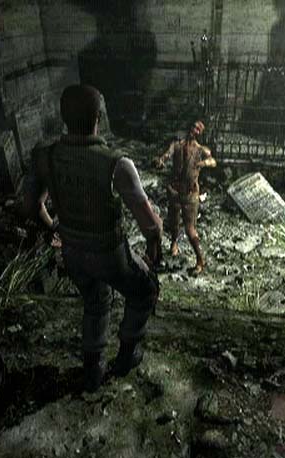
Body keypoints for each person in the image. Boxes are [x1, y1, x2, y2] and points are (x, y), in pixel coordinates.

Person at [23, 84, 163, 393]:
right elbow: (150, 225)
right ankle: (126, 356)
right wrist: (155, 247)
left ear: (63, 118)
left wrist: (54, 229)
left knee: (96, 302)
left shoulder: (46, 156)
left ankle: (93, 369)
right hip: (109, 253)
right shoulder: (116, 163)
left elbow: (32, 205)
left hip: (72, 251)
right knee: (145, 290)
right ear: (98, 117)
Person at [155, 120, 217, 275]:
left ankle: (200, 260)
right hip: (175, 191)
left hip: (190, 194)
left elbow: (213, 161)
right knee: (174, 220)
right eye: (193, 126)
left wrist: (204, 163)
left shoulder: (201, 150)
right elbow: (166, 155)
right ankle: (174, 243)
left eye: (198, 129)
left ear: (200, 133)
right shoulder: (177, 145)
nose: (194, 130)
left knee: (190, 229)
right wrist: (160, 161)